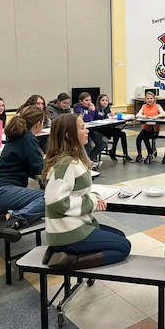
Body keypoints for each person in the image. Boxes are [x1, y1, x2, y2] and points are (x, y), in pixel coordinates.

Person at [41, 114, 131, 270]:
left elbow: (75, 194)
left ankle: (60, 251)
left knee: (120, 237)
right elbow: (56, 202)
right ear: (70, 136)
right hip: (67, 231)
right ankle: (69, 260)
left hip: (75, 225)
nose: (87, 131)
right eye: (82, 128)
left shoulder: (72, 158)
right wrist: (92, 202)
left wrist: (93, 197)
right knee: (124, 247)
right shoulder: (66, 164)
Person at [0, 106, 46, 250]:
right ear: (39, 123)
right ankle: (8, 222)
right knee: (51, 199)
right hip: (1, 193)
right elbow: (39, 169)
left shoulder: (17, 137)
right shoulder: (28, 138)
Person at [94, 94, 132, 162]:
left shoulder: (107, 109)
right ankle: (113, 151)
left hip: (108, 129)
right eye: (102, 100)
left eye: (106, 100)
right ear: (99, 101)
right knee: (117, 132)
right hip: (100, 130)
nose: (105, 102)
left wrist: (113, 116)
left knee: (120, 133)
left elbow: (110, 117)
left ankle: (124, 154)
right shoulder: (96, 110)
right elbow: (99, 118)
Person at [73, 92, 107, 163]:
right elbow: (87, 119)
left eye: (90, 100)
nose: (89, 102)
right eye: (86, 100)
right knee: (89, 145)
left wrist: (95, 110)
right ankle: (87, 161)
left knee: (103, 142)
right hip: (83, 130)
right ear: (81, 101)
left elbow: (100, 117)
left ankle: (92, 156)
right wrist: (91, 112)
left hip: (91, 129)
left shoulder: (91, 107)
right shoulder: (78, 108)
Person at [135, 91, 165, 164]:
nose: (149, 100)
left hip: (155, 128)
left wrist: (157, 116)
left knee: (146, 138)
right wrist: (143, 116)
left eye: (151, 98)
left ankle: (150, 153)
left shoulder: (157, 106)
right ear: (145, 100)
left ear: (154, 99)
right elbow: (137, 115)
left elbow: (164, 113)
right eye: (148, 98)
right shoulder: (144, 106)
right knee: (138, 138)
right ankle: (139, 154)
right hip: (146, 127)